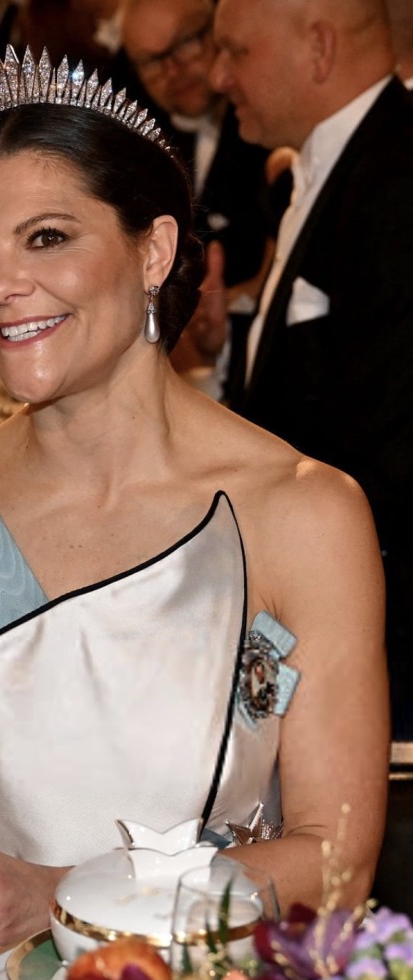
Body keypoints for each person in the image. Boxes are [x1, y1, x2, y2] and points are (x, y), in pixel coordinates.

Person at [0, 47, 388, 959]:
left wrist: (65, 896)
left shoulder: (301, 513)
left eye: (47, 237)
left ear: (153, 251)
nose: (1, 287)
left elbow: (336, 862)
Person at [211, 0, 413, 740]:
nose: (218, 76)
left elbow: (393, 452)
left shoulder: (399, 182)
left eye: (236, 51)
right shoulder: (336, 161)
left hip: (371, 635)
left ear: (319, 48)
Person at [119, 0, 275, 329]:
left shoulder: (272, 131)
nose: (172, 70)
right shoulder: (138, 149)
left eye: (185, 43)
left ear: (219, 31)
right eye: (151, 62)